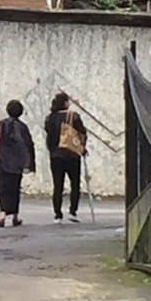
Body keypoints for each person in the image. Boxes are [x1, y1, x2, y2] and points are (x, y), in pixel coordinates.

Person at [44, 91, 88, 223]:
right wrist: (82, 148)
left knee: (58, 185)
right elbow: (82, 133)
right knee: (75, 184)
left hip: (56, 155)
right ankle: (73, 211)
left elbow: (49, 134)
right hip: (72, 154)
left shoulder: (50, 118)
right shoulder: (73, 116)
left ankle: (57, 214)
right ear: (65, 103)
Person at [0, 100, 36, 228]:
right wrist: (30, 164)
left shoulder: (0, 125)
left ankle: (2, 214)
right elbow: (28, 145)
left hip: (2, 161)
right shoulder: (23, 127)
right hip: (17, 163)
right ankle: (15, 216)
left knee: (2, 188)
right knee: (15, 189)